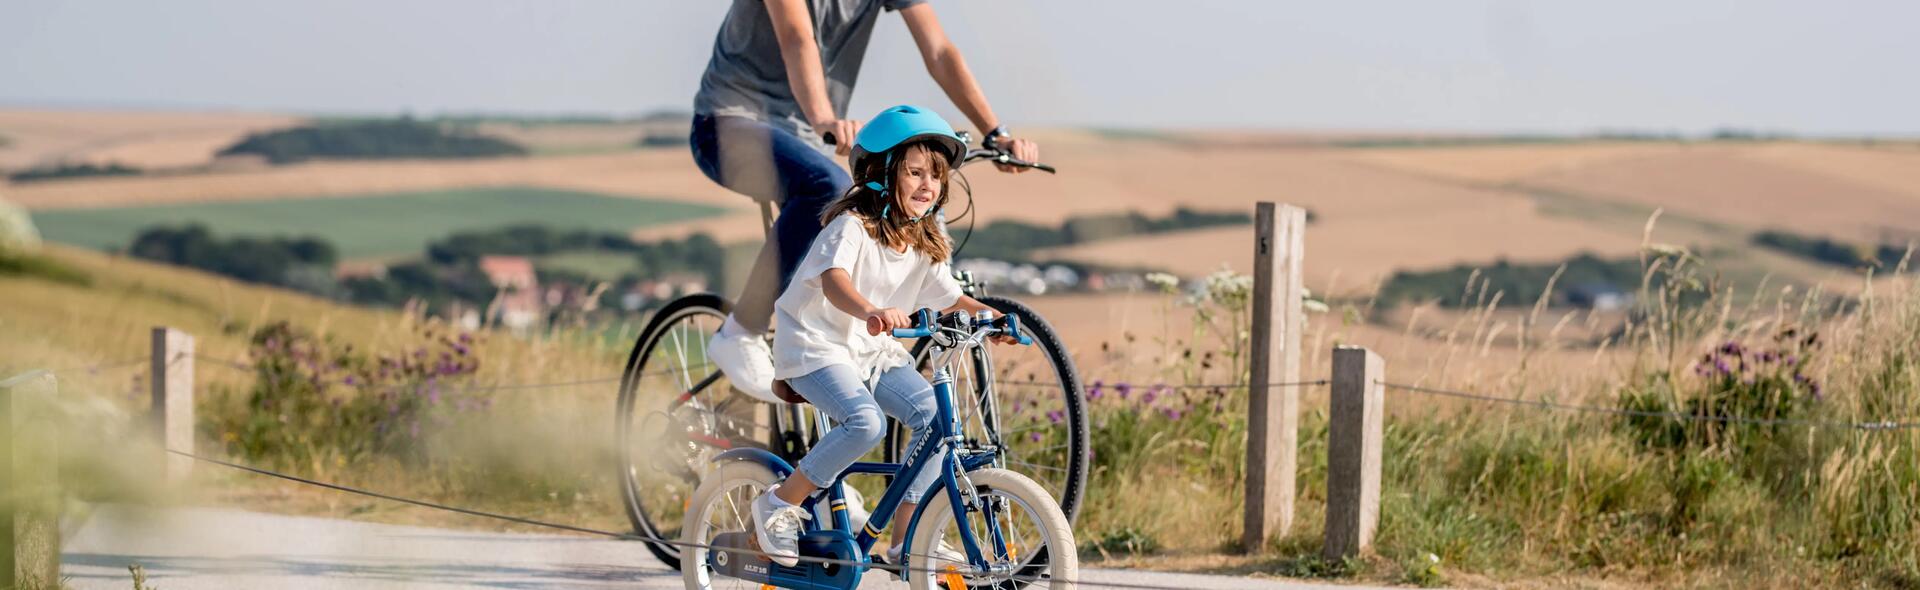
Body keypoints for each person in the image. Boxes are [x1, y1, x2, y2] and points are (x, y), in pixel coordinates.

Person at [691, 0, 1039, 402]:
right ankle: (740, 331)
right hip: (730, 122)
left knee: (907, 197)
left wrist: (995, 132)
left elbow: (939, 50)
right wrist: (823, 119)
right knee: (829, 187)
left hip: (805, 135)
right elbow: (796, 36)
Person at [749, 106, 1008, 567]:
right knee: (865, 423)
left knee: (934, 418)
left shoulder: (922, 241)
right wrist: (870, 310)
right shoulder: (852, 226)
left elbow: (949, 297)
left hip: (868, 352)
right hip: (816, 346)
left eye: (935, 175)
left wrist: (992, 317)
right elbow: (834, 279)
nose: (927, 185)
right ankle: (780, 504)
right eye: (913, 173)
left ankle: (905, 534)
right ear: (881, 174)